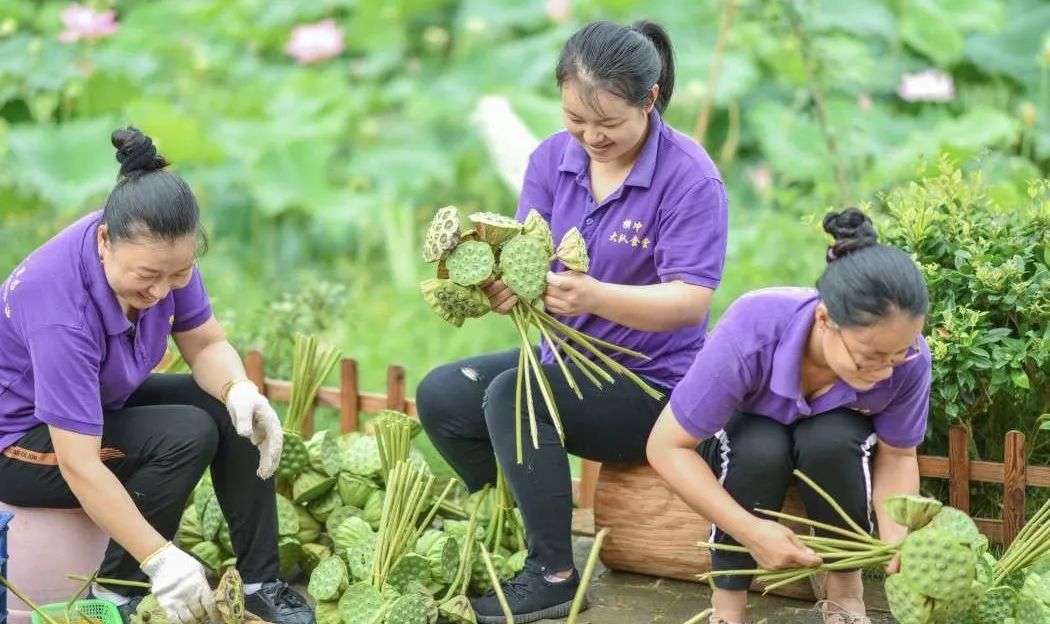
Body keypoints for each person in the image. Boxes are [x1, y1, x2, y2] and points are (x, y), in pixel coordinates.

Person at [416, 20, 729, 624]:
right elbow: (523, 254)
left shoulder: (690, 177)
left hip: (655, 383)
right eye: (575, 119)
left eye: (608, 123)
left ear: (651, 99)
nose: (591, 136)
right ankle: (516, 533)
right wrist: (504, 285)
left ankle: (555, 574)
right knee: (444, 396)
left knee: (515, 395)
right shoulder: (553, 158)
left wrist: (592, 297)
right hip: (569, 362)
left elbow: (691, 300)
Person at [0, 128, 314, 624]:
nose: (162, 290)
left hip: (100, 403)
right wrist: (158, 557)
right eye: (148, 277)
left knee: (223, 410)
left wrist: (239, 389)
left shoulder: (160, 251)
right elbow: (78, 464)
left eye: (179, 274)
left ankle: (261, 582)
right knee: (185, 434)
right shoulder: (60, 309)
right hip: (20, 440)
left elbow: (206, 343)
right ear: (104, 240)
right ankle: (118, 587)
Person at [646, 208, 932, 624]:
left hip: (832, 434)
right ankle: (727, 609)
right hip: (743, 432)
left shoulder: (909, 358)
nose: (887, 369)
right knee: (761, 447)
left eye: (899, 354)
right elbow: (666, 446)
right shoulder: (752, 328)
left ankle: (845, 598)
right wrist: (750, 530)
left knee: (831, 440)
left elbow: (899, 457)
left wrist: (896, 538)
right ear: (824, 320)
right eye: (871, 356)